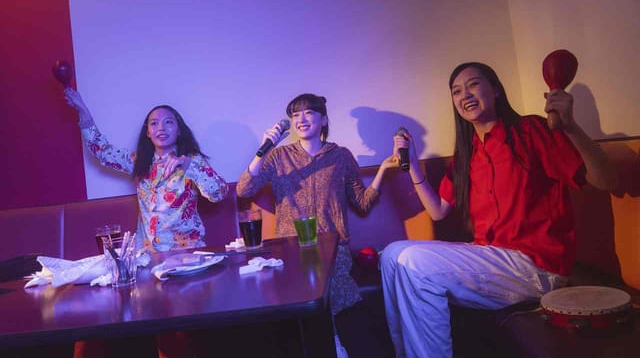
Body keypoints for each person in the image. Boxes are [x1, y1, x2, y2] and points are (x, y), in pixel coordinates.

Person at [380, 62, 617, 358]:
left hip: (536, 266)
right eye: (456, 91)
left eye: (473, 84)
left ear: (495, 90)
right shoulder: (468, 153)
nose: (465, 95)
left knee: (413, 261)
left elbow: (607, 180)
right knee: (391, 255)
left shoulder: (531, 130)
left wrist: (570, 127)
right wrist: (413, 164)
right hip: (492, 258)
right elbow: (438, 211)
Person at [236, 93, 395, 352]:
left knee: (342, 299)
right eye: (295, 115)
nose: (301, 119)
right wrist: (264, 149)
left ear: (323, 119)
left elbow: (363, 202)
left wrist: (383, 170)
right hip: (291, 251)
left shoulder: (341, 156)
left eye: (308, 112)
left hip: (335, 251)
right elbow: (244, 190)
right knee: (304, 304)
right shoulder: (279, 156)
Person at [64, 89, 228, 252]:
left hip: (187, 253)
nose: (161, 128)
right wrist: (84, 112)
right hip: (149, 256)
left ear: (179, 130)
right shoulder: (139, 161)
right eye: (154, 123)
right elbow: (102, 152)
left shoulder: (192, 160)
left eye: (168, 122)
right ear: (148, 132)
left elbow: (219, 194)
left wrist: (187, 166)